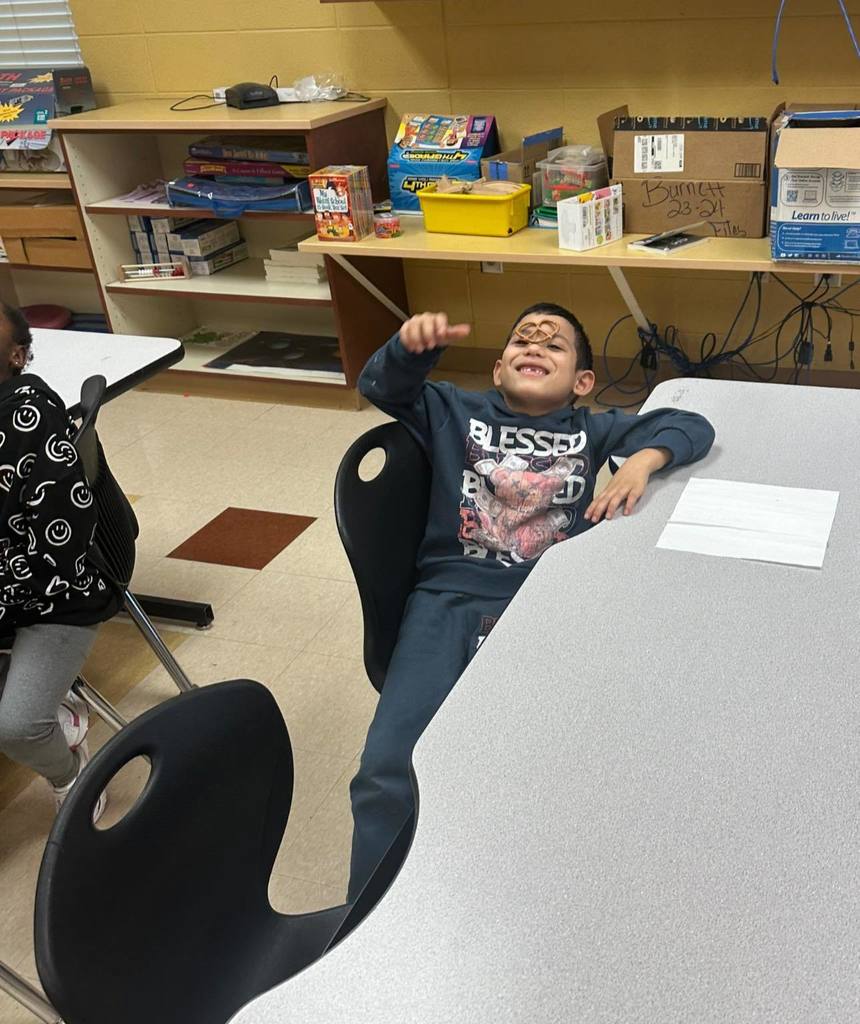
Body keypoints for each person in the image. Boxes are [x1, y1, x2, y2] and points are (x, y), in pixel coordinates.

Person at [348, 302, 715, 900]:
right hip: (448, 600)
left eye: (554, 344)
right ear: (498, 369)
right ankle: (365, 915)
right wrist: (412, 346)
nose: (535, 346)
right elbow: (380, 385)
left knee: (554, 766)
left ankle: (516, 887)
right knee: (387, 769)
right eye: (522, 338)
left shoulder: (592, 431)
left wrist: (642, 461)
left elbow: (692, 426)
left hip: (547, 608)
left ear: (583, 382)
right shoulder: (451, 410)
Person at [0, 303, 119, 821]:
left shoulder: (30, 417)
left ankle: (70, 772)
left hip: (60, 595)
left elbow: (61, 549)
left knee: (17, 726)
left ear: (16, 354)